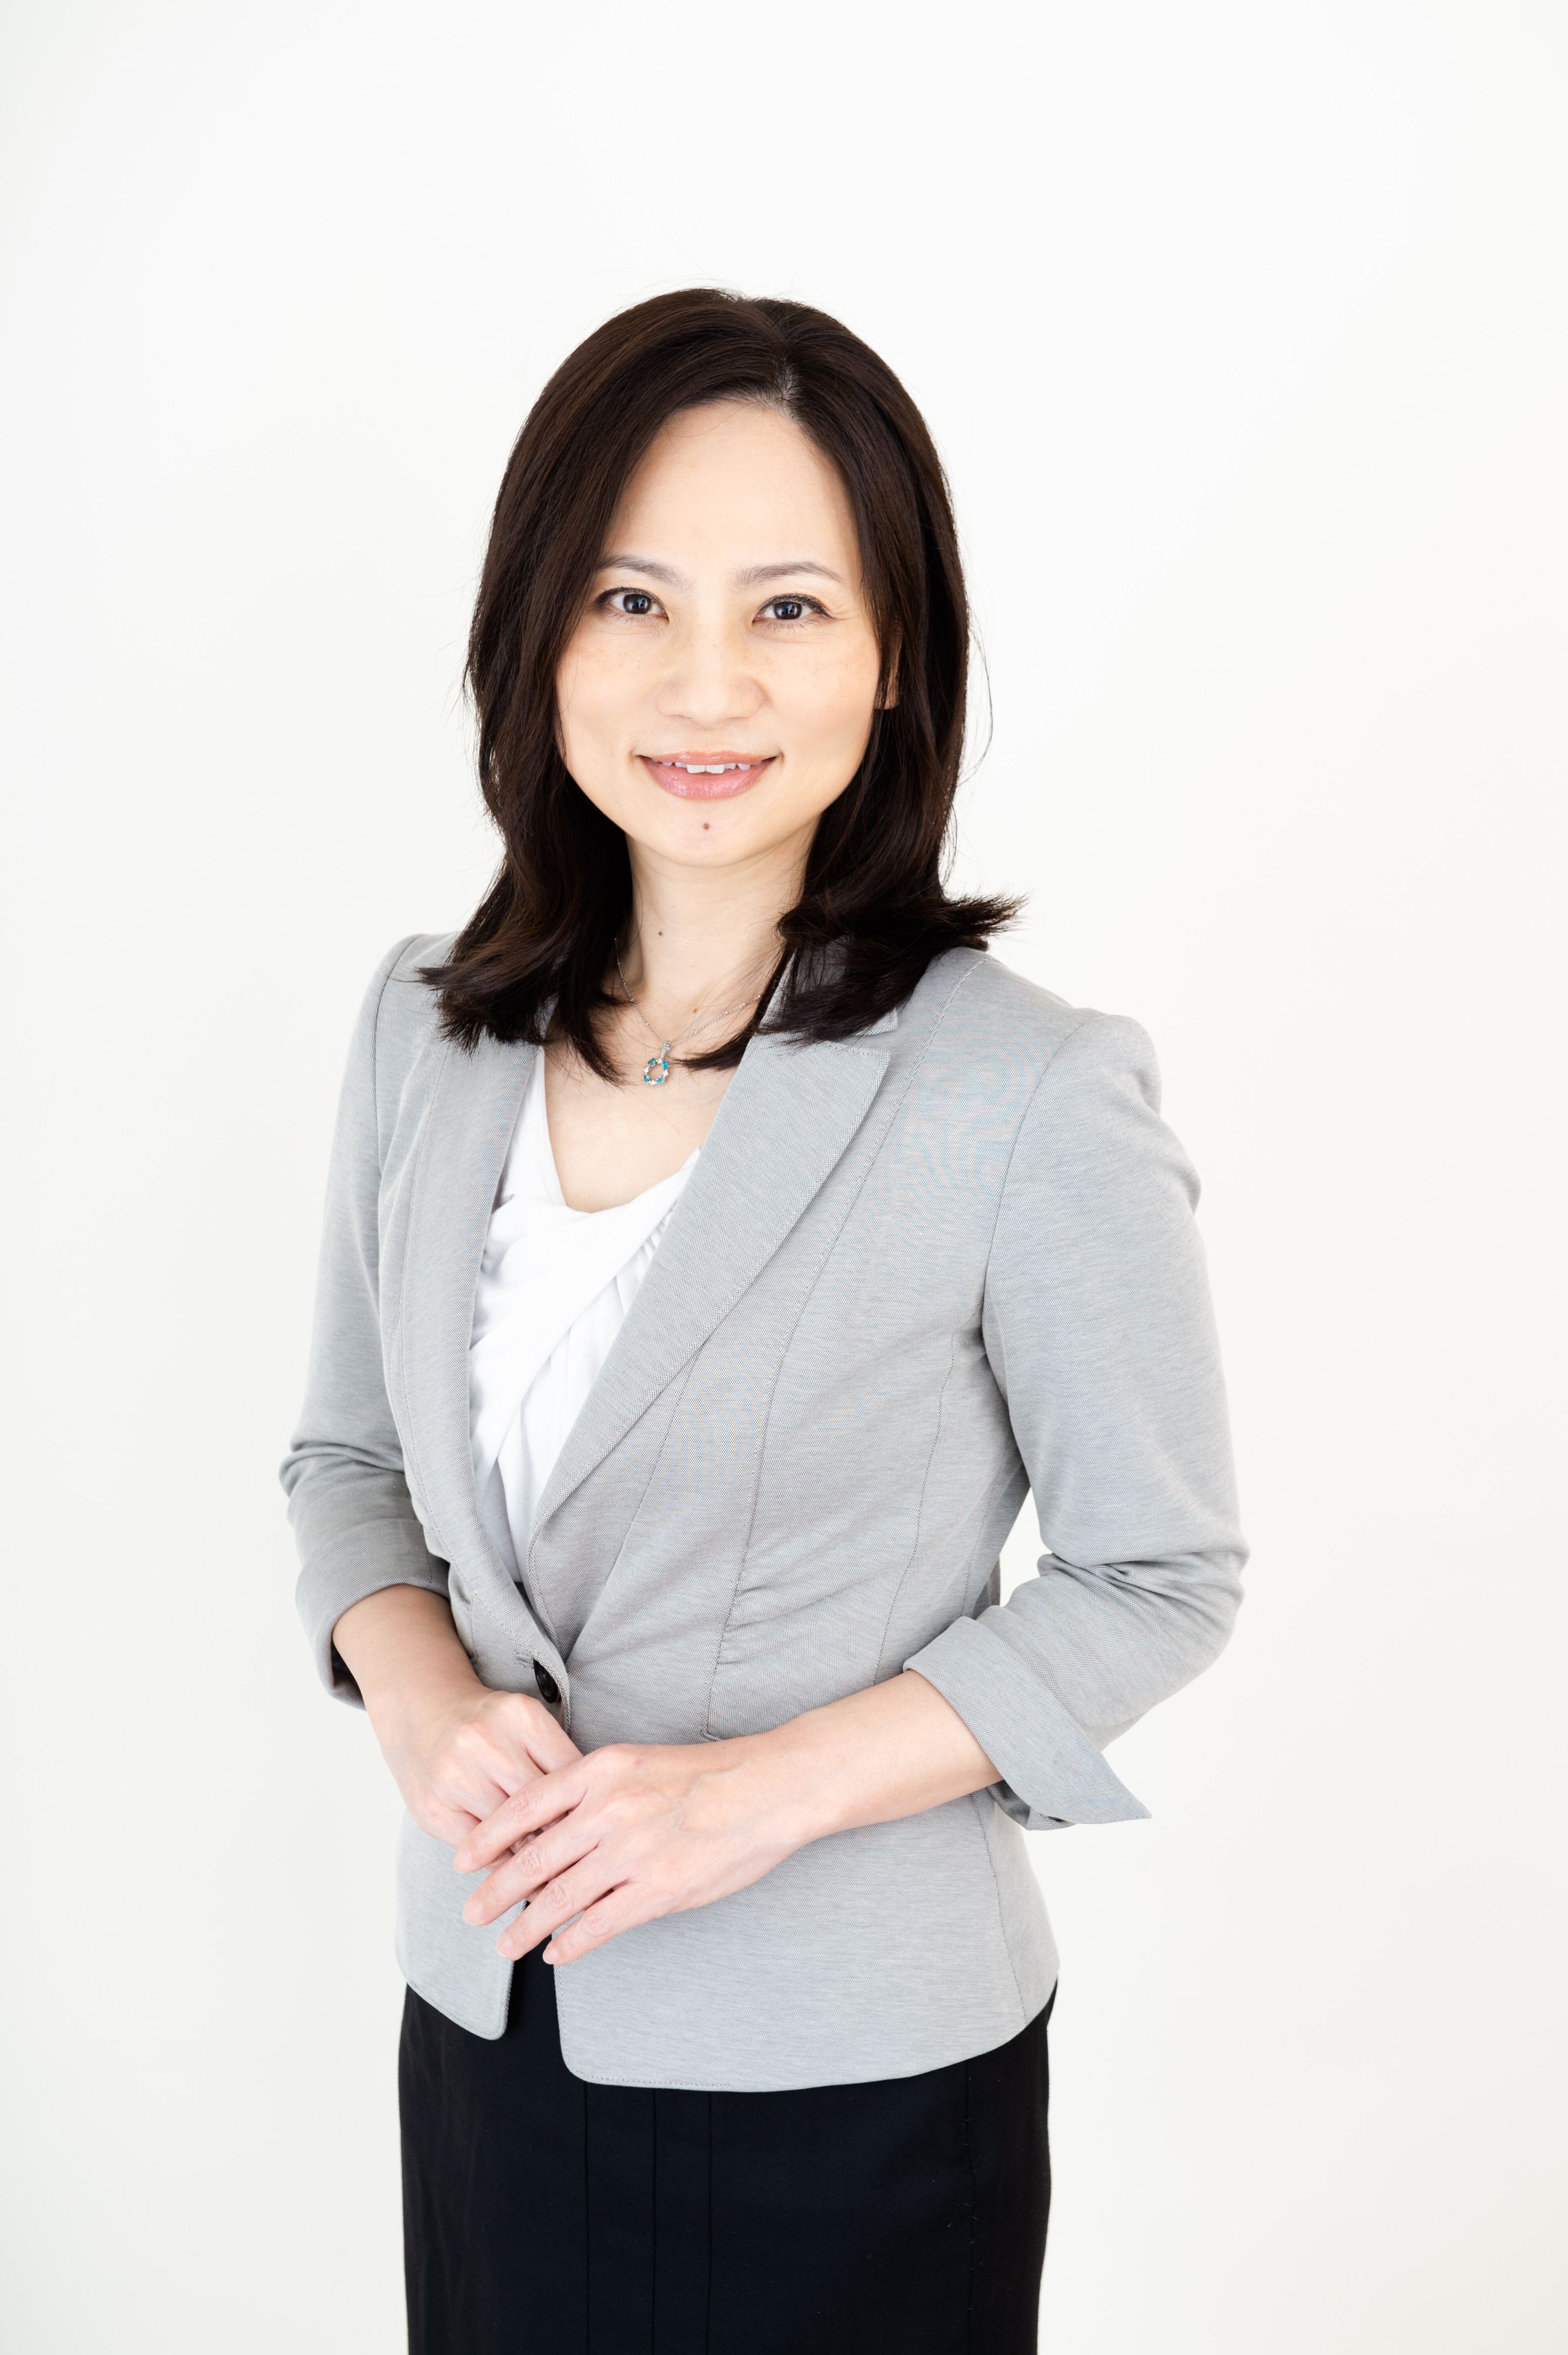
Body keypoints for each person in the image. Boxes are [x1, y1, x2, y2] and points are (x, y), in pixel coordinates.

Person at [280, 287, 1247, 2355]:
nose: (704, 681)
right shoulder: (421, 1028)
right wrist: (423, 1701)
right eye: (631, 598)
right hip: (489, 2022)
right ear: (538, 636)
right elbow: (346, 1464)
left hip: (854, 2087)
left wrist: (757, 1792)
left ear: (896, 660)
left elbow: (1157, 1577)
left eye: (790, 609)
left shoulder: (1030, 1092)